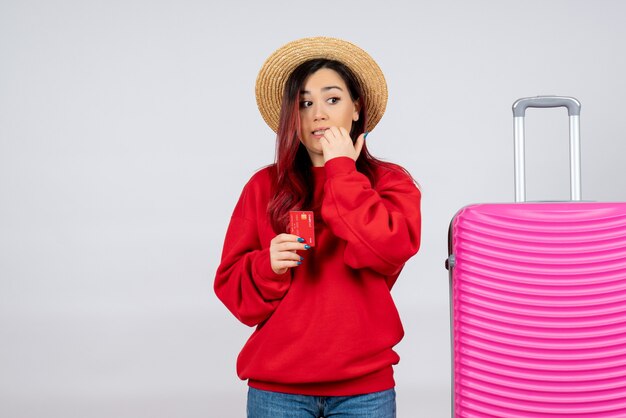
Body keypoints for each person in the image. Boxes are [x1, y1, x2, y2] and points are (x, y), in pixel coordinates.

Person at [214, 36, 421, 418]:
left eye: (332, 99)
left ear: (356, 108)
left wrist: (341, 168)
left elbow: (388, 251)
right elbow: (233, 291)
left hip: (365, 390)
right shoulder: (264, 186)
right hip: (277, 389)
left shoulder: (391, 182)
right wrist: (267, 265)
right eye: (304, 104)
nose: (318, 114)